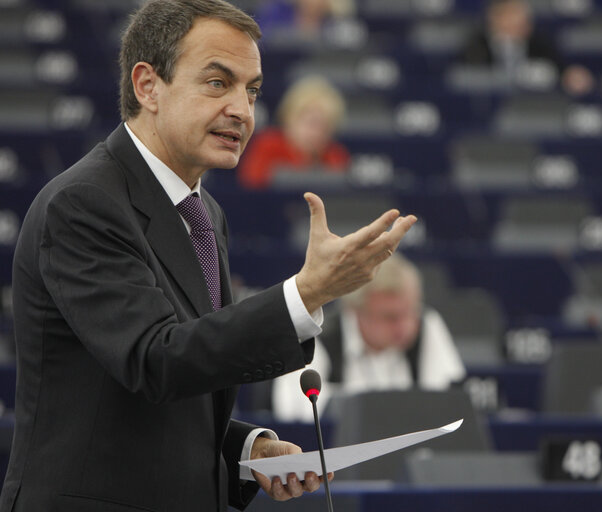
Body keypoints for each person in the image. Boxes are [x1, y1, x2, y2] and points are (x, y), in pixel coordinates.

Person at [0, 1, 416, 511]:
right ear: (147, 86)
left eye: (253, 90)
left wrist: (245, 448)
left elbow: (175, 386)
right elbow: (156, 360)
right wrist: (309, 291)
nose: (243, 109)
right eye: (218, 83)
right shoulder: (83, 204)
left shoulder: (204, 212)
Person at [272, 253, 466, 422]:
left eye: (410, 312)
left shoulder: (428, 325)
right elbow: (293, 412)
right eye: (390, 317)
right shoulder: (316, 335)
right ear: (355, 311)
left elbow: (449, 405)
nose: (404, 326)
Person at [237, 75, 350, 189]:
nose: (317, 132)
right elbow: (252, 184)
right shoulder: (267, 145)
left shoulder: (336, 155)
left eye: (325, 126)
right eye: (311, 123)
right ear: (290, 118)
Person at [460, 0, 594, 96]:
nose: (518, 26)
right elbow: (467, 75)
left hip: (532, 102)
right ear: (494, 22)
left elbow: (559, 69)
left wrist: (570, 75)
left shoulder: (539, 43)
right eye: (509, 20)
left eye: (522, 21)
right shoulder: (477, 44)